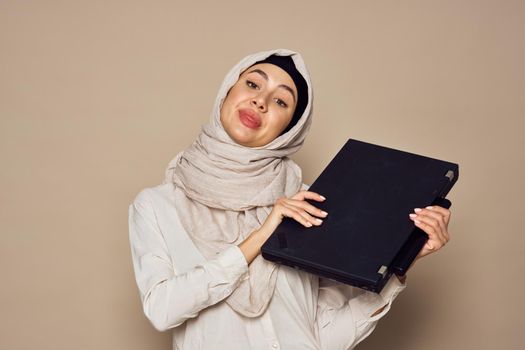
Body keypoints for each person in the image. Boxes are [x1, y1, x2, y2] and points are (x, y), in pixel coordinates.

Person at [128, 49, 451, 350]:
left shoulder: (312, 203)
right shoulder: (158, 205)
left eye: (281, 102)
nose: (260, 102)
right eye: (252, 84)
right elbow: (162, 310)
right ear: (227, 92)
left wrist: (399, 266)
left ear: (291, 128)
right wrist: (262, 236)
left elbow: (323, 336)